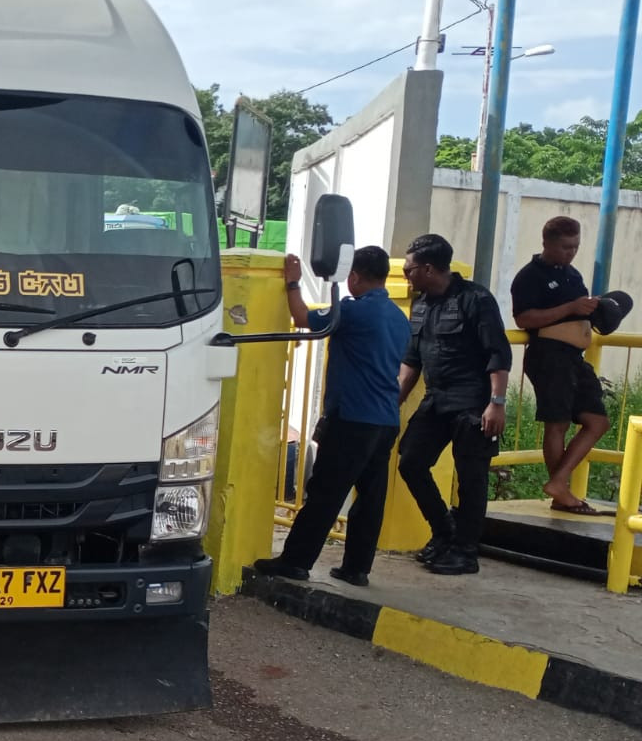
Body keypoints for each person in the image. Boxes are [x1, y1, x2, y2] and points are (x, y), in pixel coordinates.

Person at [253, 247, 414, 586]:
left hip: (353, 417)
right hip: (385, 419)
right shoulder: (398, 317)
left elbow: (302, 318)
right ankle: (357, 567)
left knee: (326, 491)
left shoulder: (353, 313)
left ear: (354, 276)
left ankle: (295, 561)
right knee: (370, 497)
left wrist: (293, 284)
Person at [396, 233, 513, 576]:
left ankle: (465, 552)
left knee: (471, 479)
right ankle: (445, 531)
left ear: (429, 269)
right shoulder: (422, 304)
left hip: (473, 404)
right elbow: (411, 363)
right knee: (411, 463)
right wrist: (393, 403)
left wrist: (497, 403)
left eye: (409, 269)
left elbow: (498, 354)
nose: (406, 276)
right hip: (437, 401)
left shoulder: (476, 299)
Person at [510, 217, 612, 515]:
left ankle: (558, 483)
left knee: (598, 421)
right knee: (558, 423)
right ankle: (560, 491)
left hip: (573, 359)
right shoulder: (529, 276)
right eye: (566, 246)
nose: (571, 252)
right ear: (548, 243)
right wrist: (570, 308)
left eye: (576, 246)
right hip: (549, 356)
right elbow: (524, 319)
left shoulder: (573, 275)